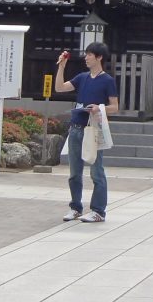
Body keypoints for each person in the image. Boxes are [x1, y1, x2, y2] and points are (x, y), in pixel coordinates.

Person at [55, 42, 119, 223]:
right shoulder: (82, 77)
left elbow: (115, 107)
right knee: (74, 172)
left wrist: (99, 108)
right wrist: (61, 66)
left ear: (99, 57)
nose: (86, 57)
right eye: (86, 54)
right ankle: (75, 208)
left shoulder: (107, 80)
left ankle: (98, 211)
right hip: (76, 128)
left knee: (96, 171)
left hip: (93, 130)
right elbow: (60, 88)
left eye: (90, 54)